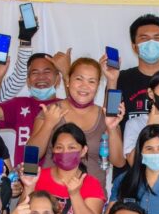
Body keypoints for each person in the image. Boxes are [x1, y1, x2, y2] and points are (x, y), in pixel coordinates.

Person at [27, 57, 119, 189]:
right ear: (68, 81)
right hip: (50, 198)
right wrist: (48, 124)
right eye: (79, 79)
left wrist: (112, 128)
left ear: (98, 86)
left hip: (91, 197)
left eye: (91, 81)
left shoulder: (105, 116)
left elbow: (118, 162)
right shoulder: (51, 111)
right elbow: (31, 155)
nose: (84, 86)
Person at [29, 123, 106, 214]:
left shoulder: (91, 184)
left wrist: (75, 194)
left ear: (83, 150)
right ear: (53, 151)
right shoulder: (39, 177)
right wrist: (28, 186)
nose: (65, 152)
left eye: (72, 147)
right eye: (59, 147)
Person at [0, 52, 60, 163]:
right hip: (23, 177)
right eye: (35, 73)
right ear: (27, 81)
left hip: (55, 178)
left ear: (57, 79)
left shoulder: (65, 106)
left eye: (47, 72)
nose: (41, 77)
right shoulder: (19, 104)